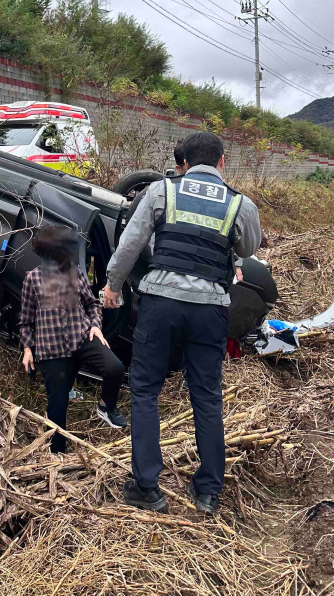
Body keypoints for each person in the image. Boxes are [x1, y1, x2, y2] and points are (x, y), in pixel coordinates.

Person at [103, 131, 261, 515]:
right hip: (210, 308)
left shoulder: (162, 191)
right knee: (206, 396)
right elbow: (248, 249)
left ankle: (147, 487)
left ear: (184, 162)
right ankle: (207, 493)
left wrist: (112, 286)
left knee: (144, 390)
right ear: (222, 163)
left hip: (160, 303)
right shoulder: (240, 204)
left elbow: (131, 242)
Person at [20, 226, 128, 454]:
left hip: (82, 339)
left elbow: (92, 304)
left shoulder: (75, 273)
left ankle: (106, 407)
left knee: (115, 368)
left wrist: (96, 326)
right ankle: (57, 458)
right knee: (57, 411)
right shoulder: (33, 279)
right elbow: (26, 320)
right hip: (52, 352)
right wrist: (28, 348)